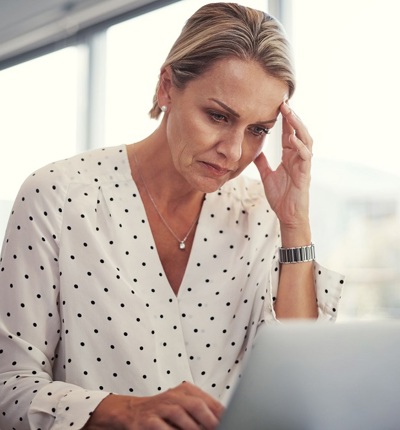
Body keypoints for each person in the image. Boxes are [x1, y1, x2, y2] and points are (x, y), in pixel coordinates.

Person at [0, 2, 344, 429]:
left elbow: (300, 383)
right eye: (218, 116)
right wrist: (121, 411)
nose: (234, 151)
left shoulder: (263, 216)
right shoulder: (59, 197)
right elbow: (8, 387)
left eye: (258, 130)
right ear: (167, 87)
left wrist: (295, 225)